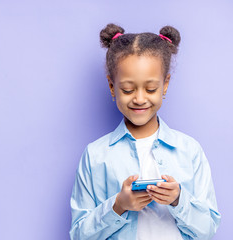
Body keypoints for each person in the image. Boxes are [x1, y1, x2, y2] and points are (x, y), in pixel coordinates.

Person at [69, 23, 221, 240]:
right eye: (128, 89)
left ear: (165, 85)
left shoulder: (190, 150)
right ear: (112, 87)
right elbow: (79, 235)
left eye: (150, 89)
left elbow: (207, 230)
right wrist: (118, 206)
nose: (140, 99)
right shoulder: (95, 156)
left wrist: (178, 199)